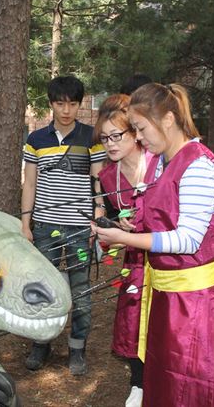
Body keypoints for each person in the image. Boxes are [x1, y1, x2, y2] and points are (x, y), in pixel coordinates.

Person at [92, 83, 214, 406]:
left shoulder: (199, 166)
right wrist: (126, 226)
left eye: (141, 129)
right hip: (165, 297)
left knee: (192, 386)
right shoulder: (162, 163)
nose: (139, 138)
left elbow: (187, 239)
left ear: (168, 120)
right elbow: (162, 217)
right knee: (164, 383)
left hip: (195, 303)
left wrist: (125, 238)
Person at [21, 75, 106, 375]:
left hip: (81, 230)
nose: (66, 110)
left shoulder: (91, 137)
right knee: (43, 287)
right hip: (45, 228)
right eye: (60, 103)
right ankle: (40, 344)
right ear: (51, 104)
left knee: (80, 290)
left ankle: (77, 349)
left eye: (72, 103)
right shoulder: (36, 140)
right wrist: (26, 223)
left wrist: (97, 219)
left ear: (79, 105)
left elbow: (98, 182)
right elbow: (30, 183)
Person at [93, 94, 147, 407]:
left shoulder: (158, 164)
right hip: (136, 260)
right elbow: (115, 219)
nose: (110, 144)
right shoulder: (107, 176)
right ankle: (138, 383)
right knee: (135, 318)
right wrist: (107, 230)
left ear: (135, 132)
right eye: (104, 138)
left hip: (169, 258)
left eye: (117, 135)